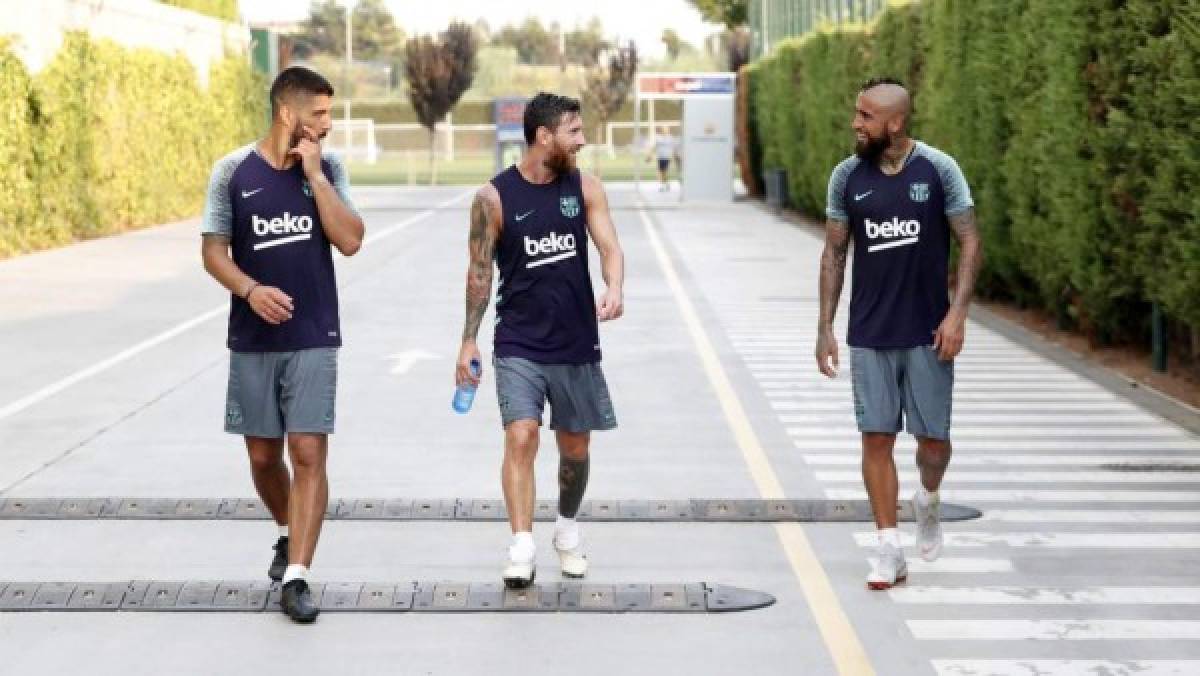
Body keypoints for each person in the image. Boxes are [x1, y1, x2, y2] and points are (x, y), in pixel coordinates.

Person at [200, 66, 364, 622]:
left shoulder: (330, 166)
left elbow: (350, 241)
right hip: (252, 339)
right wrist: (249, 290)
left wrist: (316, 178)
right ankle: (288, 529)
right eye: (319, 114)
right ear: (287, 113)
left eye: (329, 114)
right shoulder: (231, 172)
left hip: (315, 335)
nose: (328, 124)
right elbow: (214, 251)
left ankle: (297, 576)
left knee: (308, 452)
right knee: (265, 457)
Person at [815, 77, 983, 591]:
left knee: (934, 445)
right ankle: (888, 549)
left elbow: (970, 242)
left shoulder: (939, 169)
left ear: (895, 123)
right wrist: (824, 326)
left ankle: (928, 500)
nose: (856, 123)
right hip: (870, 334)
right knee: (876, 438)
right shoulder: (847, 177)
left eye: (866, 116)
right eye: (856, 113)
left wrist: (957, 316)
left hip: (929, 333)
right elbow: (835, 254)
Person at [456, 92, 625, 589]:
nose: (582, 140)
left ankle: (567, 531)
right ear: (543, 137)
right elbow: (479, 274)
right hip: (518, 344)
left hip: (575, 342)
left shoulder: (586, 187)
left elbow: (611, 247)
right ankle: (522, 545)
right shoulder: (493, 199)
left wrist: (614, 286)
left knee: (574, 452)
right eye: (573, 131)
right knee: (521, 435)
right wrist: (468, 340)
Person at [649, 126, 679, 191]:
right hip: (660, 157)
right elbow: (654, 147)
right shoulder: (658, 138)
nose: (665, 131)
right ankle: (665, 184)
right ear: (661, 130)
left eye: (666, 129)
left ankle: (664, 185)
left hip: (667, 157)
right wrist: (650, 155)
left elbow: (674, 147)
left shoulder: (670, 138)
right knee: (660, 172)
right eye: (663, 129)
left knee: (664, 171)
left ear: (668, 130)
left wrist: (675, 155)